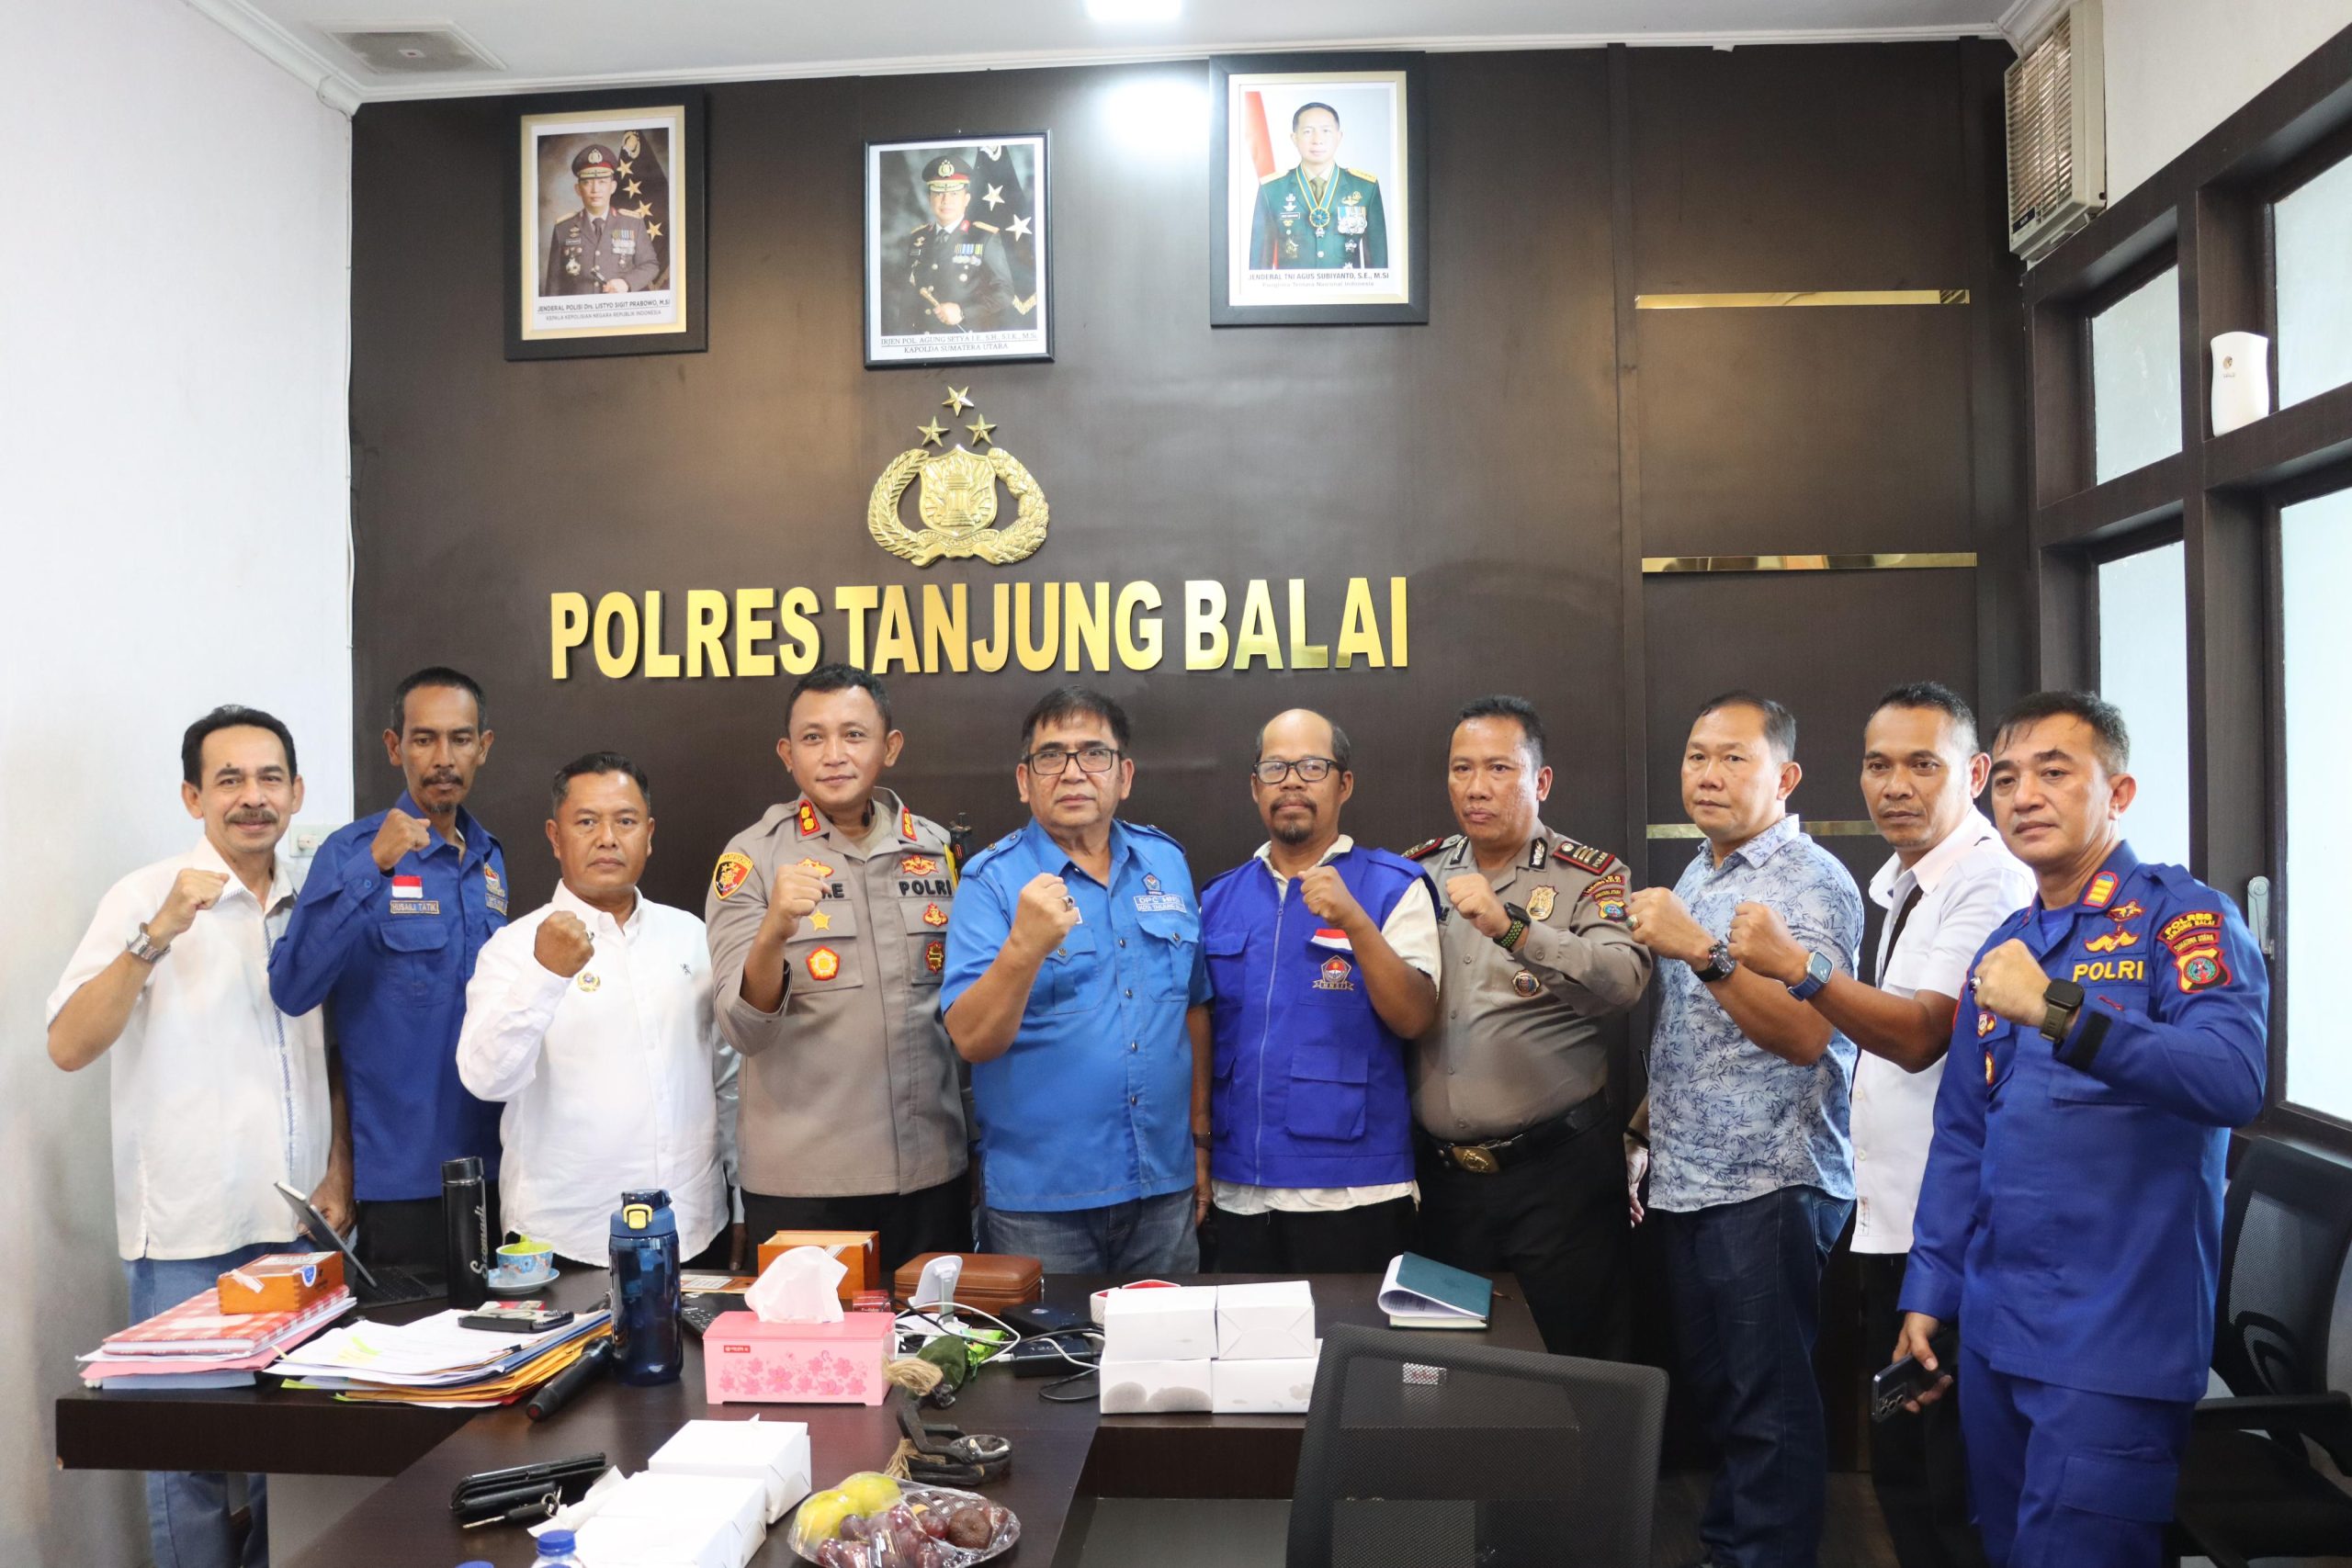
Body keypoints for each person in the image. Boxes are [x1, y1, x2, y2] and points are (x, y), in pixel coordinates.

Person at [1896, 692, 2267, 1568]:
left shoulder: (2183, 918)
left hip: (2115, 1342)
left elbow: (2232, 1077)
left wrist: (2060, 1011)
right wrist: (1930, 1290)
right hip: (1998, 1330)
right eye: (2007, 779)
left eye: (2055, 773)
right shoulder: (2008, 945)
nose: (2025, 795)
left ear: (2119, 792)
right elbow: (1963, 1136)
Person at [1724, 682, 2028, 1568]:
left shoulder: (1987, 879)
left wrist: (1799, 966)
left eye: (1922, 764)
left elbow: (1922, 1035)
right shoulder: (1908, 882)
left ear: (1975, 772)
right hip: (1897, 1220)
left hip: (1957, 1228)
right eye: (1878, 764)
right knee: (1906, 1469)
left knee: (1950, 1482)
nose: (1895, 785)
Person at [48, 705, 344, 1568]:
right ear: (193, 796)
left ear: (297, 792)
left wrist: (341, 1171)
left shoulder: (315, 902)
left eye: (270, 778)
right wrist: (156, 935)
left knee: (291, 1463)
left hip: (297, 1233)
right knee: (185, 1460)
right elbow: (68, 1044)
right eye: (229, 780)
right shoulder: (145, 895)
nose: (253, 797)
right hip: (184, 1236)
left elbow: (337, 1053)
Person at [1626, 690, 1863, 1568]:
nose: (1709, 774)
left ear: (1785, 776)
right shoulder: (1701, 871)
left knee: (1771, 1410)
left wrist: (1702, 949)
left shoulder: (1813, 880)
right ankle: (1731, 1550)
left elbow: (1805, 1033)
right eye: (1698, 755)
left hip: (1770, 1182)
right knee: (1724, 1400)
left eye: (1735, 757)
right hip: (1689, 1179)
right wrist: (1642, 1130)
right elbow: (1697, 1032)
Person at [1406, 694, 1651, 1356]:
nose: (1475, 787)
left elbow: (1624, 981)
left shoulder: (1590, 876)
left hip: (1557, 1177)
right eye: (1461, 768)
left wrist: (1513, 928)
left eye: (1498, 768)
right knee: (1452, 1368)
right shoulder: (1417, 872)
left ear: (1540, 781)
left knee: (1572, 1365)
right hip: (1444, 1183)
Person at [702, 665, 967, 1275]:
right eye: (813, 737)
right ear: (787, 754)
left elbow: (962, 1013)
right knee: (813, 1340)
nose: (834, 754)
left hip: (933, 1173)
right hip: (806, 1185)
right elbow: (743, 1028)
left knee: (934, 1336)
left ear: (889, 747)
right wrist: (773, 930)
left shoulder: (937, 851)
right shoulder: (753, 857)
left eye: (854, 734)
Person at [942, 686, 1208, 1274]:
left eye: (1094, 754)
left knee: (1169, 1337)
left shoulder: (1166, 863)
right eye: (1051, 756)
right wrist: (1024, 947)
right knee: (1044, 1339)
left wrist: (1200, 1141)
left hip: (1163, 1190)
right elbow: (972, 1040)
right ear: (1024, 780)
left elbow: (1193, 1007)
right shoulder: (991, 881)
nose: (1072, 772)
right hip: (1041, 1203)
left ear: (1124, 775)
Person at [456, 753, 736, 1269]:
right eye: (586, 822)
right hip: (566, 1240)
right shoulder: (514, 947)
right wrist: (546, 973)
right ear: (555, 836)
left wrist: (738, 1201)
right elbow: (486, 1081)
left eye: (625, 821)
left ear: (649, 835)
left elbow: (728, 1078)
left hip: (694, 1228)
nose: (607, 838)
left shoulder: (692, 936)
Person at [270, 666, 506, 1266]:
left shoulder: (489, 858)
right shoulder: (351, 851)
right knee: (409, 1326)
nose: (443, 757)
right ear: (395, 746)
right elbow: (293, 987)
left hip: (498, 1166)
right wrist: (373, 866)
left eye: (460, 738)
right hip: (401, 1178)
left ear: (483, 747)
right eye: (424, 739)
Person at [1195, 709, 1439, 1273]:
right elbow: (1198, 1035)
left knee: (1351, 1335)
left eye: (1311, 766)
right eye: (1275, 768)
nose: (1292, 782)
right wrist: (1201, 1148)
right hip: (1240, 1188)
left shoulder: (1393, 886)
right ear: (1255, 787)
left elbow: (1415, 1017)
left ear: (1343, 783)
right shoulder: (1218, 899)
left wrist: (1355, 921)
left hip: (1354, 1189)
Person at [1248, 101, 1389, 270]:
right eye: (1308, 132)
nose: (1317, 140)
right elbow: (1258, 266)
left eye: (1326, 131)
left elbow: (1379, 265)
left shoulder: (1365, 188)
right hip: (1292, 287)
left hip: (1346, 287)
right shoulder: (1272, 189)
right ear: (1294, 138)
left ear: (1339, 137)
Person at [898, 154, 1010, 334]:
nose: (946, 200)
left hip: (963, 340)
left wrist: (963, 312)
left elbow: (1004, 293)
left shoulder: (984, 237)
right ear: (929, 198)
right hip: (922, 341)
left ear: (966, 199)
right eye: (939, 193)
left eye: (954, 194)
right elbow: (908, 295)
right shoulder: (918, 238)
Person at [542, 142, 659, 297]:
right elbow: (554, 284)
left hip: (620, 308)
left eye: (602, 182)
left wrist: (626, 283)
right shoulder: (563, 228)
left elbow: (651, 265)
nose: (595, 190)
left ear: (613, 187)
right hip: (579, 310)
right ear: (578, 189)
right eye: (587, 182)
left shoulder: (633, 223)